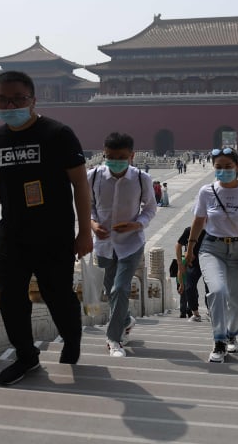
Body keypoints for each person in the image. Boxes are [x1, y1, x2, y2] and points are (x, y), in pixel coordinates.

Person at [0, 70, 93, 385]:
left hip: (54, 232)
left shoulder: (58, 134)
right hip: (12, 232)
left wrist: (84, 232)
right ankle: (26, 355)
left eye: (18, 98)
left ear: (33, 99)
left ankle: (72, 339)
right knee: (10, 295)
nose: (10, 104)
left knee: (56, 293)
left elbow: (80, 185)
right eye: (2, 99)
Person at [186, 148, 238, 363]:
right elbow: (198, 220)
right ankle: (219, 340)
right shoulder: (206, 191)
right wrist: (190, 247)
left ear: (237, 167)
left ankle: (232, 334)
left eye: (228, 167)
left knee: (237, 300)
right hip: (212, 248)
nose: (223, 171)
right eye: (218, 167)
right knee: (218, 291)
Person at [88, 132, 156, 357]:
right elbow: (86, 206)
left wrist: (136, 225)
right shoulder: (94, 176)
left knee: (120, 288)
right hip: (104, 243)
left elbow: (150, 209)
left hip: (131, 243)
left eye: (121, 157)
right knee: (111, 291)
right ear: (104, 154)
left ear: (131, 156)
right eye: (110, 156)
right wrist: (93, 224)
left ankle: (113, 339)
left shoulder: (141, 178)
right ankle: (126, 320)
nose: (115, 161)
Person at [175, 226, 205, 322]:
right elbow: (178, 245)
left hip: (208, 262)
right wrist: (180, 264)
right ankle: (195, 314)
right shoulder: (189, 230)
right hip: (193, 263)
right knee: (189, 287)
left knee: (211, 289)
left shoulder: (212, 230)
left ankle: (211, 311)